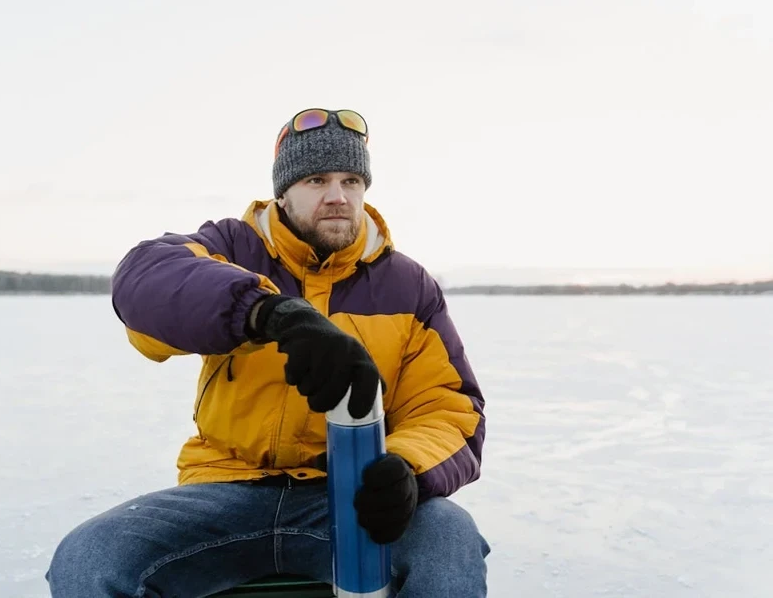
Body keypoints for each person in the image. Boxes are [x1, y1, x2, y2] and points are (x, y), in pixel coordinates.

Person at [46, 108, 490, 597]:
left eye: (352, 180)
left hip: (345, 497)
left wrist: (406, 469)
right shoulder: (232, 247)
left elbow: (449, 408)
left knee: (449, 537)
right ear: (283, 191)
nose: (338, 196)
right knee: (88, 560)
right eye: (317, 180)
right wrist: (267, 314)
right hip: (223, 491)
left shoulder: (407, 286)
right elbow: (143, 282)